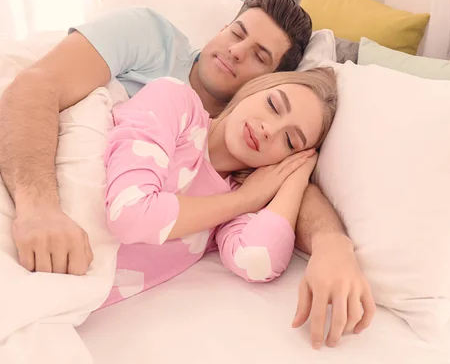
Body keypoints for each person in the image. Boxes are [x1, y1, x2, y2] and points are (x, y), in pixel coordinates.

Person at [0, 0, 375, 349]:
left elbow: (258, 255)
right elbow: (35, 86)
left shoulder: (235, 186)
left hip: (68, 288)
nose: (236, 51)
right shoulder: (161, 69)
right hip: (30, 189)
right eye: (237, 32)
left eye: (260, 56)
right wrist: (38, 208)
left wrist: (300, 181)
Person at [101, 67, 335, 309]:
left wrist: (298, 174)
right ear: (254, 88)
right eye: (273, 105)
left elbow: (258, 260)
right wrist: (244, 199)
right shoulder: (176, 102)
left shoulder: (236, 206)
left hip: (73, 296)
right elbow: (129, 214)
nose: (269, 130)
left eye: (289, 141)